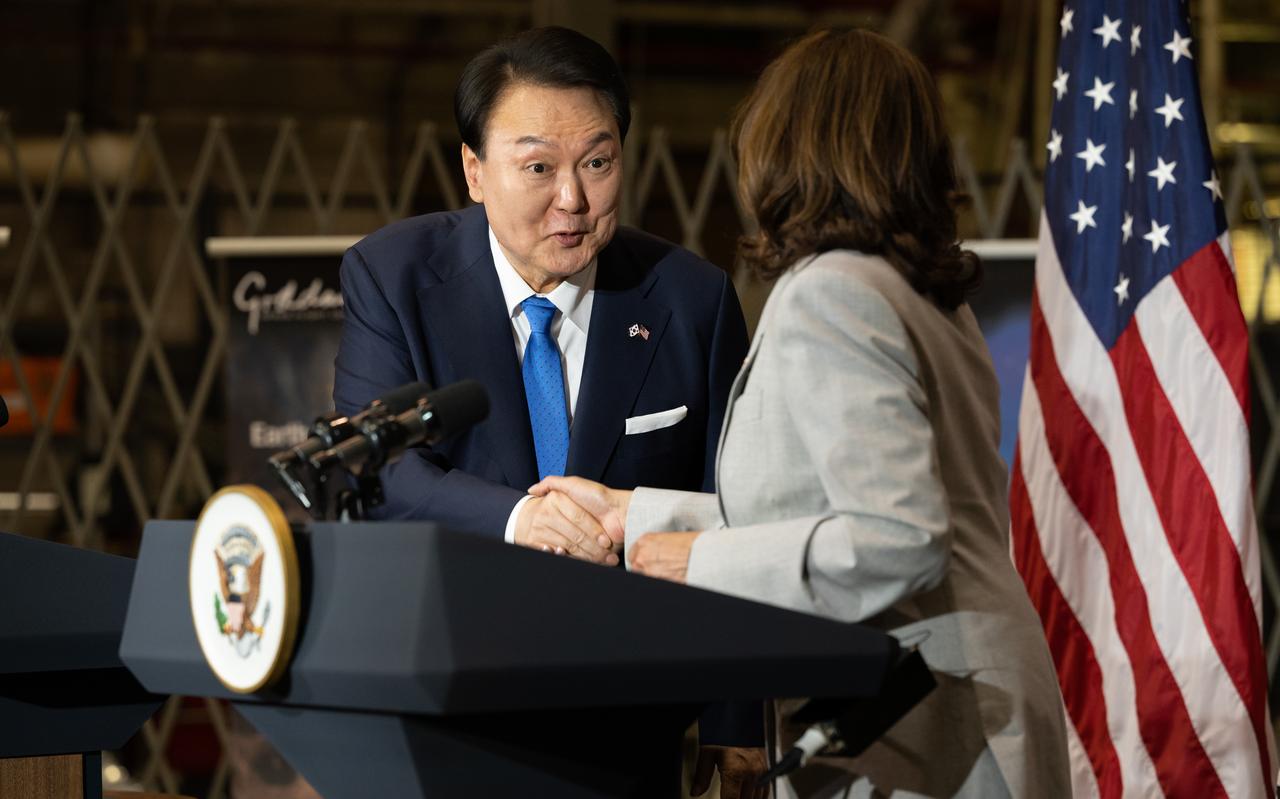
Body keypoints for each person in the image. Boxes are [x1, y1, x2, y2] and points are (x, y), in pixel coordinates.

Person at [533, 29, 1072, 798]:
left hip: (931, 726)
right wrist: (639, 516)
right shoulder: (917, 290)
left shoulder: (835, 294)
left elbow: (898, 535)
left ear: (787, 141)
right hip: (946, 700)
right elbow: (816, 504)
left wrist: (698, 562)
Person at [332, 24, 761, 794]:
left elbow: (730, 510)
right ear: (474, 170)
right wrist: (519, 520)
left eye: (597, 162)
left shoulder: (690, 301)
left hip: (629, 722)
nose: (573, 199)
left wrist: (736, 725)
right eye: (538, 167)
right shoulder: (392, 278)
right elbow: (379, 471)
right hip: (447, 706)